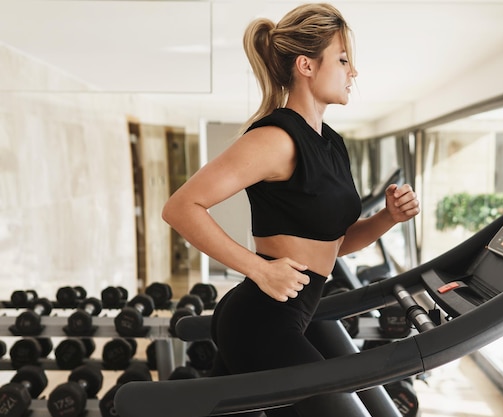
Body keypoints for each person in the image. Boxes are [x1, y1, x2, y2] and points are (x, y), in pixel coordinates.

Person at [162, 3, 420, 416]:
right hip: (261, 320)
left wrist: (387, 217)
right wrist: (258, 268)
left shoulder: (332, 144)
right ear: (306, 65)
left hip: (292, 313)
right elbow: (181, 207)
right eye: (342, 59)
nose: (353, 72)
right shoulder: (276, 138)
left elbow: (333, 247)